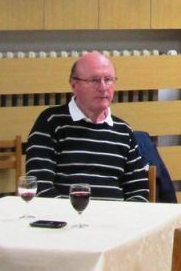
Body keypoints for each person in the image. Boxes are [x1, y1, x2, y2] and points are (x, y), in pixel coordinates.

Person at [24, 51, 151, 201]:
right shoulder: (51, 122)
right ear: (74, 84)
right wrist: (77, 214)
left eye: (108, 80)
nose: (103, 87)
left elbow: (138, 192)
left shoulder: (123, 131)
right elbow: (40, 187)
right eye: (94, 80)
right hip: (66, 214)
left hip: (116, 215)